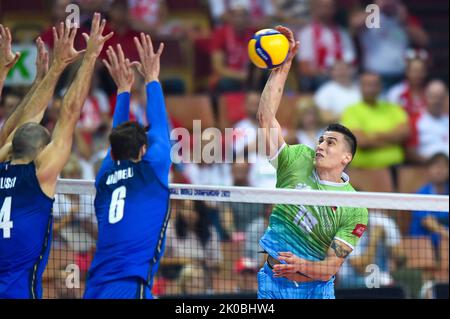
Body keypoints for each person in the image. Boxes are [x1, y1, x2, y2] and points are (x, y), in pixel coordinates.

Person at [0, 13, 112, 298]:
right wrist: (88, 58)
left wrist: (52, 71)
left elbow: (19, 123)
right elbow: (70, 111)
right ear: (42, 152)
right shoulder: (41, 173)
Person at [256, 25, 368, 299]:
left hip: (317, 291)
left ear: (346, 157)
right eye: (320, 140)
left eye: (330, 142)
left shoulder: (355, 208)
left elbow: (331, 267)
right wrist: (282, 68)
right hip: (273, 284)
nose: (320, 145)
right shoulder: (297, 159)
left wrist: (302, 265)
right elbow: (266, 120)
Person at [84, 34, 171, 299]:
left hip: (96, 285)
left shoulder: (104, 174)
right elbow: (159, 129)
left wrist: (123, 89)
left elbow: (117, 140)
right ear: (143, 150)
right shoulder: (151, 170)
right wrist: (152, 78)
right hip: (128, 285)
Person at [341, 73, 410, 169]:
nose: (371, 88)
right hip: (365, 170)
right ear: (360, 87)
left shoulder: (393, 108)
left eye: (375, 84)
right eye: (367, 85)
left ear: (380, 87)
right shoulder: (351, 111)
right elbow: (361, 142)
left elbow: (404, 133)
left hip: (395, 167)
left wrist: (375, 135)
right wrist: (393, 141)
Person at [409, 153, 449, 253]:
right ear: (428, 170)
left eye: (444, 167)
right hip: (424, 241)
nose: (440, 170)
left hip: (444, 242)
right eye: (436, 166)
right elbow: (427, 221)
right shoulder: (421, 193)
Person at [407, 80, 449, 163]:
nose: (437, 101)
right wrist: (433, 164)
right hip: (425, 168)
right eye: (433, 97)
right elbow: (410, 151)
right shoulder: (414, 120)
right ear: (425, 97)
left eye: (441, 97)